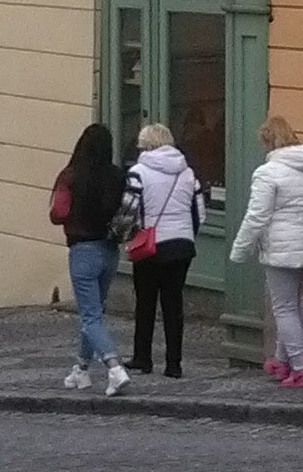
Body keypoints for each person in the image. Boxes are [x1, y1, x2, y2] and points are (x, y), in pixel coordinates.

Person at [233, 113, 303, 387]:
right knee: (293, 304)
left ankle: (302, 367)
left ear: (268, 142)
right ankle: (282, 360)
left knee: (285, 308)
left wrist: (240, 250)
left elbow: (257, 216)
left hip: (282, 250)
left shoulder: (268, 173)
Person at [125, 123, 207, 378]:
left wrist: (128, 234)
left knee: (146, 303)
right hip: (181, 244)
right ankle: (174, 364)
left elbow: (129, 210)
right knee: (174, 304)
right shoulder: (187, 173)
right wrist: (185, 233)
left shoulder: (138, 172)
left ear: (145, 146)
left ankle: (143, 358)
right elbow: (200, 213)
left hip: (150, 245)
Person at [54, 123, 129, 393]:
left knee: (90, 316)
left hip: (82, 250)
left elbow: (57, 213)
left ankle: (114, 368)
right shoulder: (116, 175)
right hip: (109, 250)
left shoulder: (71, 176)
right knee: (95, 311)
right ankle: (81, 369)